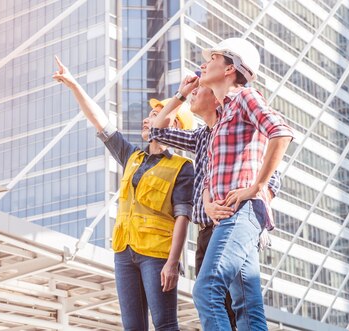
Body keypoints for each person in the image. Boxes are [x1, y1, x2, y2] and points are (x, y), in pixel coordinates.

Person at [53, 56, 194, 331]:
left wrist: (173, 262)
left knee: (165, 326)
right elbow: (100, 122)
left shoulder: (182, 168)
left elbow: (183, 217)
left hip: (157, 255)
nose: (146, 118)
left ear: (173, 124)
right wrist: (73, 85)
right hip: (124, 252)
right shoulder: (132, 157)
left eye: (155, 115)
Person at [148, 76, 282, 331]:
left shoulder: (239, 124)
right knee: (241, 305)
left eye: (200, 90)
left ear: (215, 98)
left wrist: (252, 199)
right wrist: (182, 94)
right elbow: (158, 131)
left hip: (234, 222)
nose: (195, 94)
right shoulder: (202, 136)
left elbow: (273, 177)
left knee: (221, 299)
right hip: (207, 230)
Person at [190, 38, 294, 331]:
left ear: (229, 68)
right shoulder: (221, 117)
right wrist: (209, 201)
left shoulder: (245, 98)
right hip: (229, 215)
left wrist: (256, 186)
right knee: (246, 307)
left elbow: (281, 133)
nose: (204, 64)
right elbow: (212, 172)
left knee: (206, 289)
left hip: (244, 211)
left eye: (212, 59)